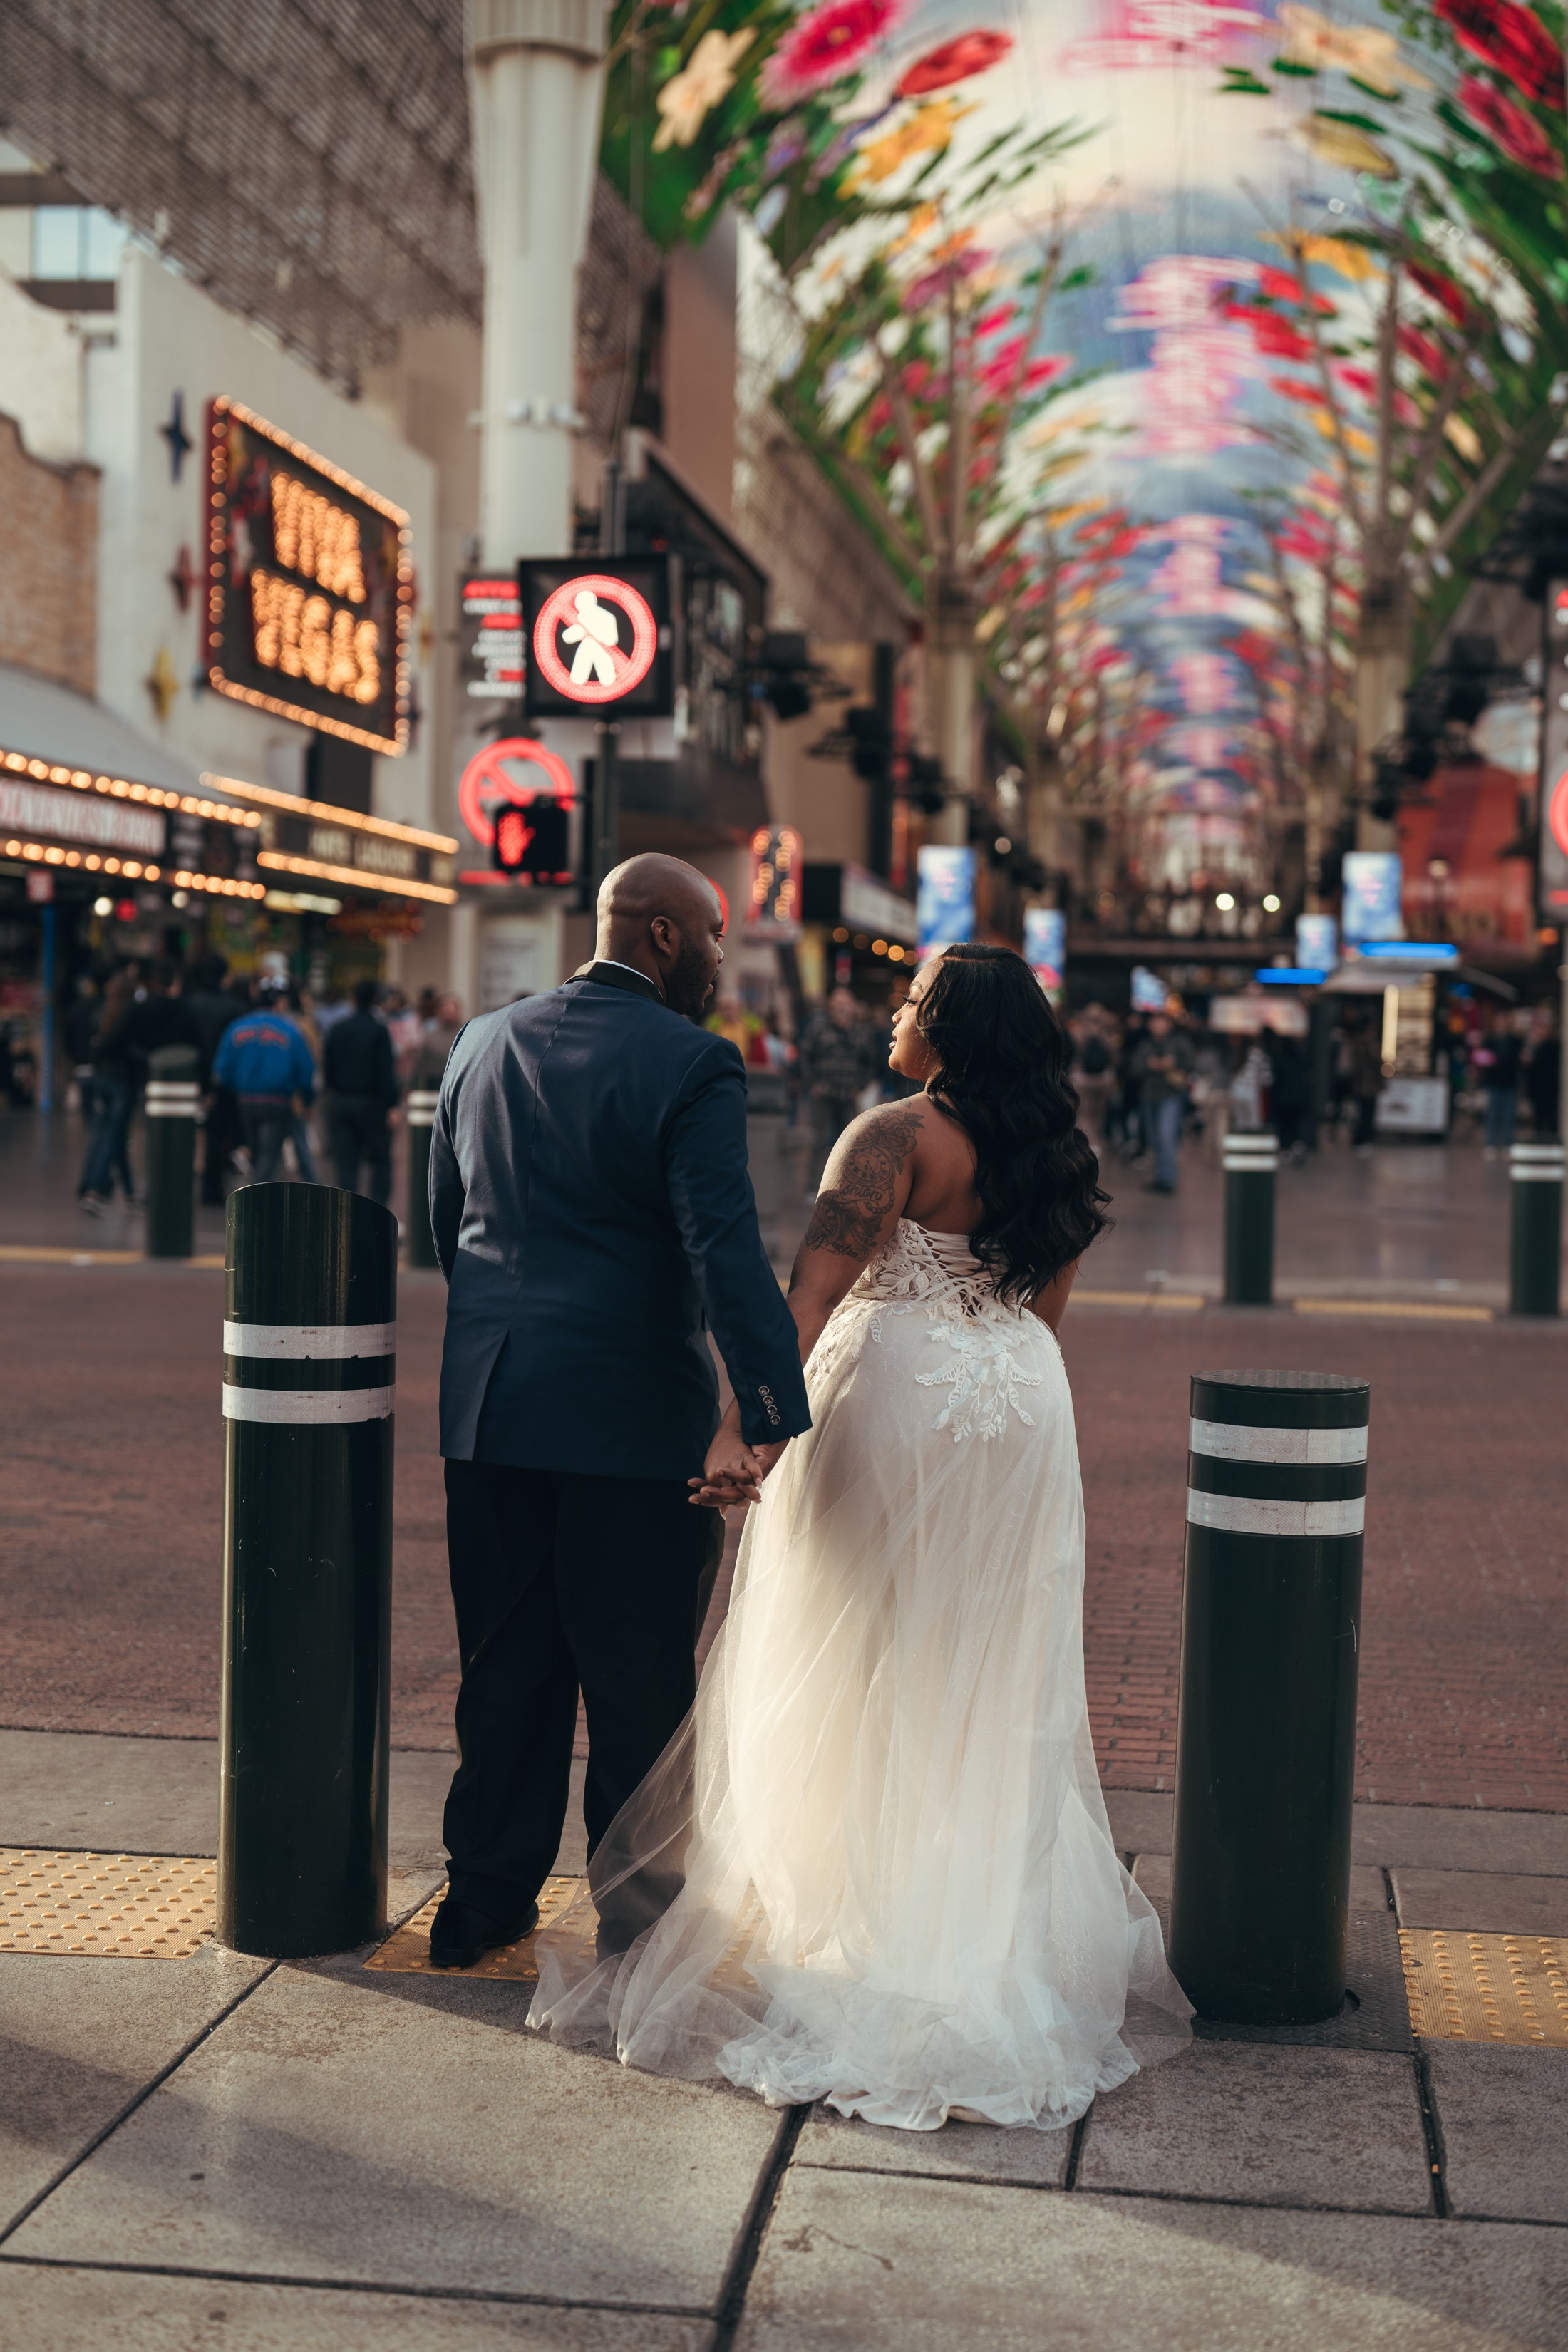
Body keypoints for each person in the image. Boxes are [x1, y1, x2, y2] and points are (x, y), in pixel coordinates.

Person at [530, 943, 1191, 2130]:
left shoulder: (893, 1135)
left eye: (912, 1000)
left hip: (895, 1400)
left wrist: (746, 1431)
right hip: (1019, 1411)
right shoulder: (1061, 1150)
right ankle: (957, 1923)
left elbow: (812, 1294)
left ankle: (848, 1917)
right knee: (974, 1670)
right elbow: (1042, 1315)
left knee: (848, 1650)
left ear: (945, 1026)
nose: (896, 1012)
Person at [425, 853, 811, 1972]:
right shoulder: (692, 1064)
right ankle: (637, 1921)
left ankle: (482, 1903)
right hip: (636, 1423)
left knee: (504, 1668)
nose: (721, 959)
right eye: (714, 936)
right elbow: (723, 1252)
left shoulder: (479, 1042)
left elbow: (444, 1225)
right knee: (638, 1678)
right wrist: (769, 1409)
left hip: (491, 1411)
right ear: (660, 937)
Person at [211, 987, 317, 1183]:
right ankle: (259, 1199)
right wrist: (307, 1100)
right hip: (277, 1100)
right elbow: (306, 1070)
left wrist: (237, 1088)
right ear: (278, 1004)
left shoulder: (237, 1028)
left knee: (257, 1150)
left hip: (245, 1100)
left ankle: (257, 1194)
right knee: (269, 1154)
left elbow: (222, 1069)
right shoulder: (290, 1030)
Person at [323, 977, 399, 1204]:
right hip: (372, 1103)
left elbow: (328, 1067)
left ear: (353, 999)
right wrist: (391, 1104)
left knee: (346, 1161)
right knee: (380, 1159)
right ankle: (377, 1207)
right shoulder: (378, 1030)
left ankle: (348, 1210)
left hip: (342, 1100)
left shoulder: (337, 1029)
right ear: (375, 1000)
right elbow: (386, 1071)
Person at [798, 986, 880, 1179]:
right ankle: (814, 1186)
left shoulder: (861, 1032)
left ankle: (845, 1183)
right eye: (838, 1003)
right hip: (823, 1094)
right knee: (818, 1141)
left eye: (846, 1003)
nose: (842, 1008)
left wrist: (860, 1086)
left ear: (852, 1007)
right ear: (830, 1006)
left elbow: (871, 1062)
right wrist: (813, 1083)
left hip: (848, 1095)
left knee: (850, 1142)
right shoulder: (817, 1028)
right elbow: (804, 1057)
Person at [1130, 1012, 1192, 1192]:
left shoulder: (1179, 1043)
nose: (1158, 1026)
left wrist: (1174, 1063)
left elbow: (1191, 1064)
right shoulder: (1145, 1045)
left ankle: (1168, 1179)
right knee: (1154, 1138)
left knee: (1167, 1135)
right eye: (1155, 1022)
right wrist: (1148, 1065)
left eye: (1162, 1022)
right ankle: (1160, 1177)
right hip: (1149, 1096)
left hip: (1171, 1095)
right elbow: (1132, 1068)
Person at [1475, 1010, 1522, 1158]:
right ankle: (1491, 1144)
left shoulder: (1514, 1041)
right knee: (1492, 1114)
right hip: (1494, 1083)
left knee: (1508, 1115)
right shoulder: (1489, 1040)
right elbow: (1482, 1059)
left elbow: (1518, 1061)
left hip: (1509, 1083)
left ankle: (1508, 1144)